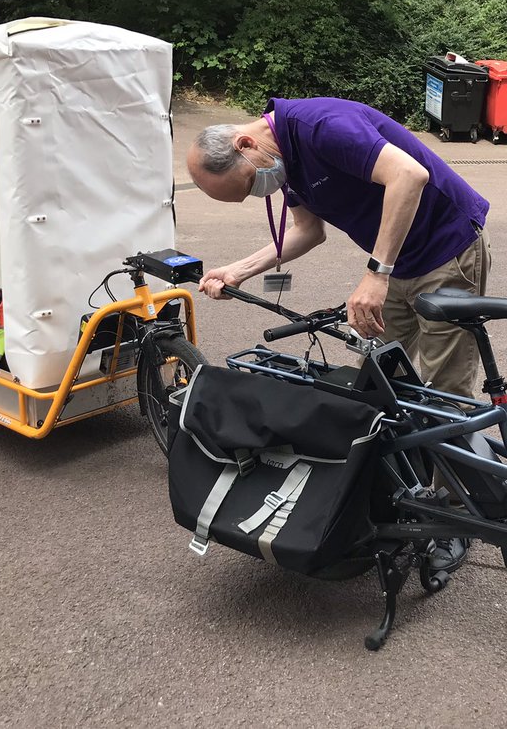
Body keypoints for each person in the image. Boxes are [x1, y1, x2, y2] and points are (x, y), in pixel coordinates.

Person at [187, 97, 491, 571]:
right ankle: (400, 486)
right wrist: (239, 270)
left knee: (441, 391)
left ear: (246, 144)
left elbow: (409, 175)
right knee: (384, 379)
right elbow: (308, 232)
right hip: (399, 263)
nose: (259, 194)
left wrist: (376, 273)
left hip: (445, 248)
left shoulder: (322, 126)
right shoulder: (282, 159)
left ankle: (456, 519)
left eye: (249, 185)